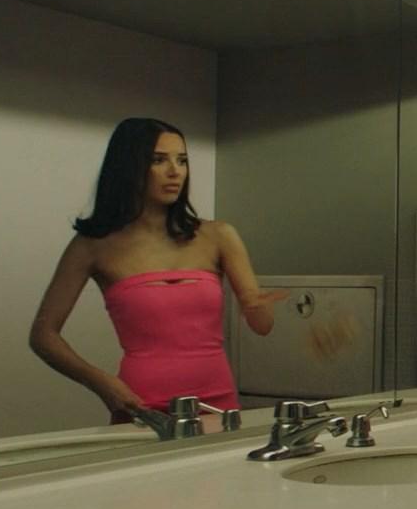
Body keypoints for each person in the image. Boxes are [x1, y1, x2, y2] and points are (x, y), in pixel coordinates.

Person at [29, 117, 286, 425]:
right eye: (159, 160)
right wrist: (100, 382)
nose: (175, 171)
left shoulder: (219, 235)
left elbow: (263, 326)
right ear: (129, 167)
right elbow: (43, 335)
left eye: (182, 160)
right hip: (140, 406)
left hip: (217, 404)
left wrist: (257, 306)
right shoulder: (93, 245)